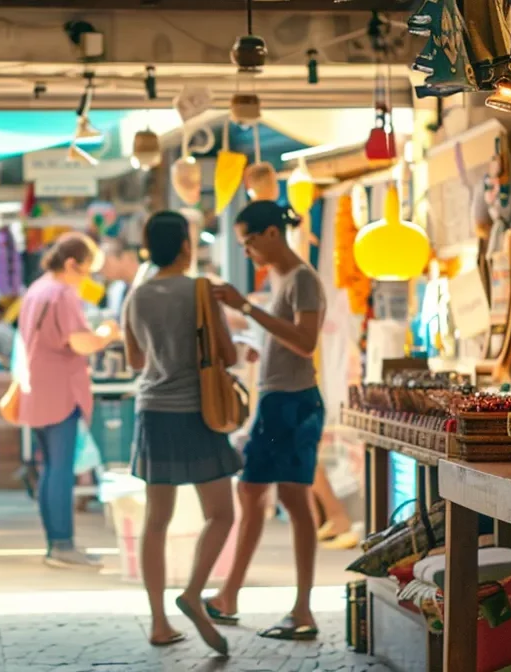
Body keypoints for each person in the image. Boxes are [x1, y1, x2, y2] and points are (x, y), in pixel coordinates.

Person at [205, 200, 327, 641]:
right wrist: (258, 341)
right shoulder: (282, 279)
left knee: (288, 499)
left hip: (295, 404)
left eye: (249, 241)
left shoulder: (303, 280)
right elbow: (285, 336)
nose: (249, 251)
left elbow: (306, 342)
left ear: (272, 234)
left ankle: (300, 609)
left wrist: (249, 309)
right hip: (279, 401)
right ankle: (230, 595)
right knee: (255, 490)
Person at [123, 212, 240, 654]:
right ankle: (192, 592)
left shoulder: (136, 296)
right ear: (187, 246)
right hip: (199, 412)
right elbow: (225, 353)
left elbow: (136, 361)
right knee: (222, 513)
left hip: (153, 411)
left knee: (156, 520)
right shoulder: (199, 290)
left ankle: (158, 622)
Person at [17, 232, 120, 569]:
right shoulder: (62, 293)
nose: (87, 278)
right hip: (60, 390)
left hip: (38, 389)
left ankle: (56, 543)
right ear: (72, 264)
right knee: (61, 469)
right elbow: (80, 343)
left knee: (51, 468)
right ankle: (63, 544)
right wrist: (107, 333)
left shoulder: (37, 289)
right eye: (86, 270)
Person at [100, 238, 143, 319]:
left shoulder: (151, 280)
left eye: (106, 262)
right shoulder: (115, 289)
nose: (102, 270)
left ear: (126, 256)